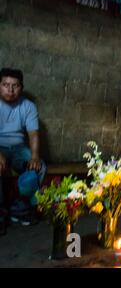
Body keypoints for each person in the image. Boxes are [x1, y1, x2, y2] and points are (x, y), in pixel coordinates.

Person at [0, 68, 47, 233]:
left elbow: (33, 133)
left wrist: (34, 156)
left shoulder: (28, 106)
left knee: (39, 167)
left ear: (21, 87)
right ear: (0, 86)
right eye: (6, 85)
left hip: (19, 148)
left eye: (15, 85)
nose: (10, 90)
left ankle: (19, 208)